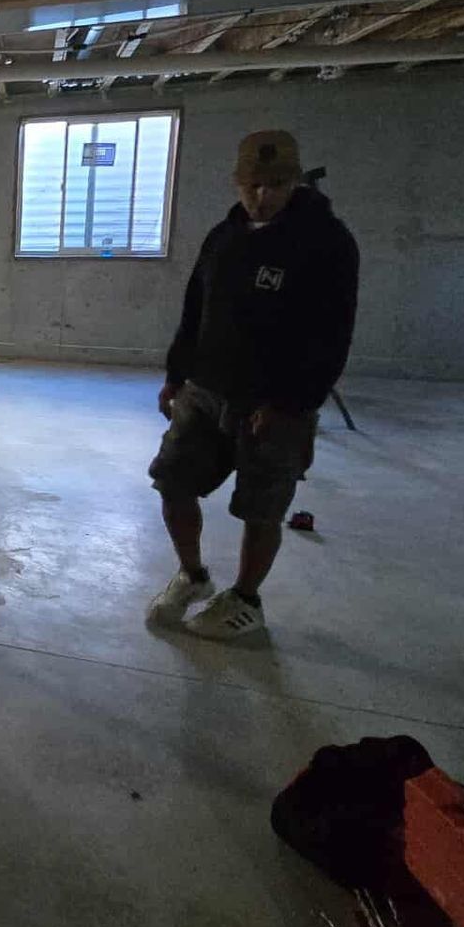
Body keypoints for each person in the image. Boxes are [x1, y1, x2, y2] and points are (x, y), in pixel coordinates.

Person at [145, 130, 358, 640]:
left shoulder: (325, 242)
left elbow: (333, 334)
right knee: (172, 480)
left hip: (273, 404)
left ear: (296, 180)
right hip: (205, 388)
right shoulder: (225, 237)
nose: (262, 195)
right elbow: (195, 310)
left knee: (261, 506)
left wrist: (290, 402)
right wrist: (177, 375)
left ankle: (245, 598)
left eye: (276, 183)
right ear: (238, 182)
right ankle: (192, 576)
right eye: (253, 184)